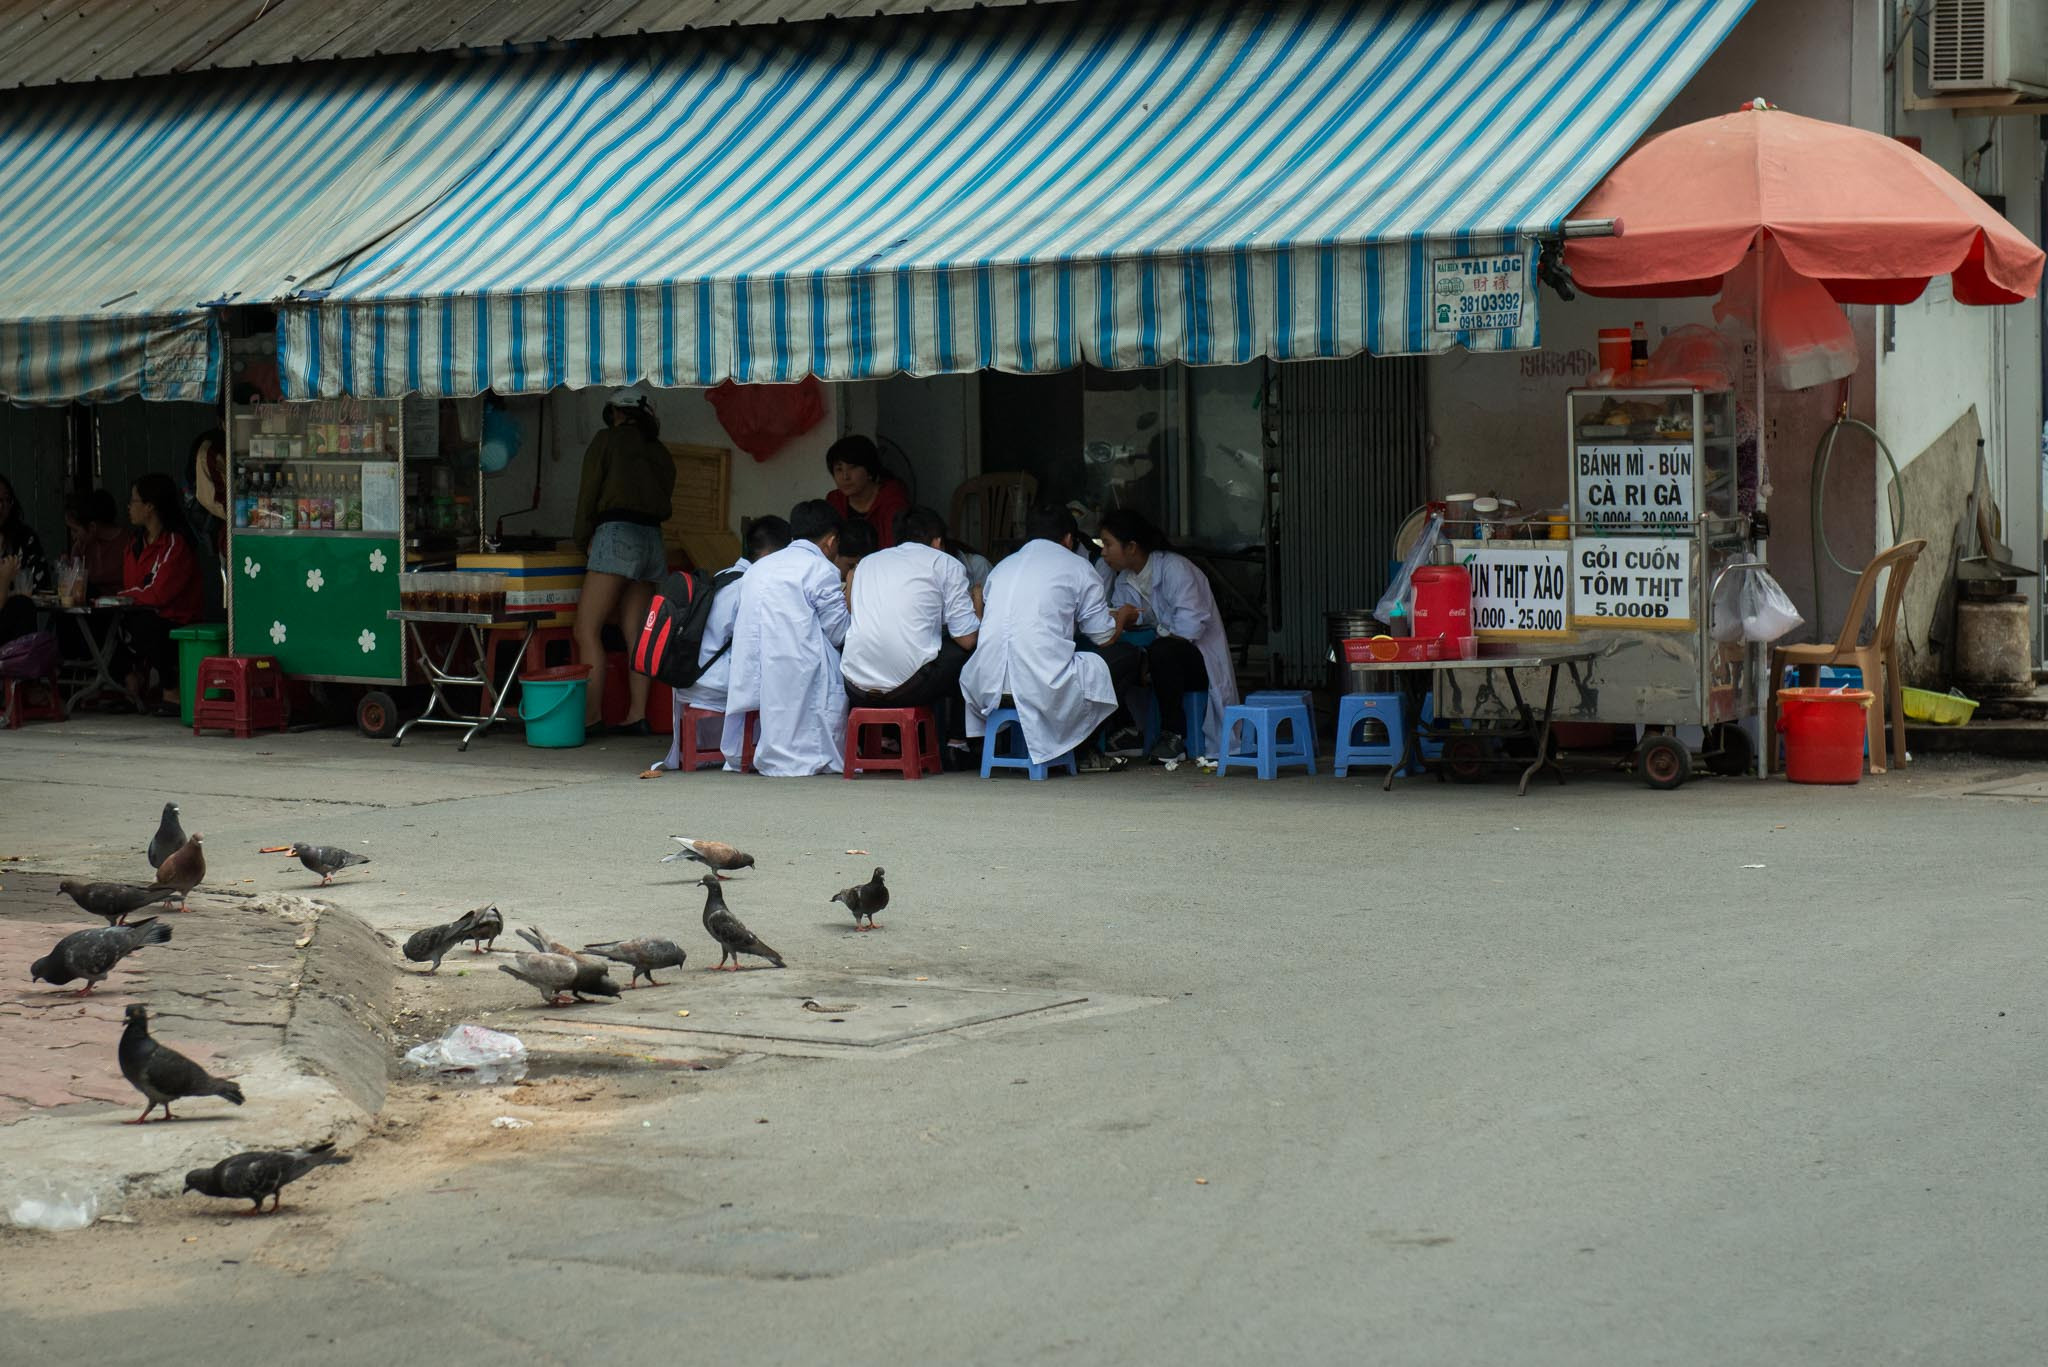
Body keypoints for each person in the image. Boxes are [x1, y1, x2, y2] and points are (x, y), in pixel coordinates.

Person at [960, 505, 1133, 771]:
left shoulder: (1002, 567)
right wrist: (1123, 616)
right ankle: (1083, 750)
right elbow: (1104, 636)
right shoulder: (1079, 567)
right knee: (1126, 656)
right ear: (1069, 539)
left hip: (985, 685)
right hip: (1039, 686)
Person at [645, 516, 792, 777]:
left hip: (689, 677)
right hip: (714, 683)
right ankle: (774, 751)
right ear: (771, 555)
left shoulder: (724, 575)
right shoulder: (751, 586)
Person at [573, 385, 677, 734]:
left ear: (616, 412)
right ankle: (637, 716)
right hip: (652, 541)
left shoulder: (607, 440)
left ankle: (591, 717)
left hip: (616, 534)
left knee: (586, 629)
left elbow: (588, 494)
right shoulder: (660, 451)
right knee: (636, 633)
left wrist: (582, 539)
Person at [1097, 509, 1240, 762]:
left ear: (1131, 547)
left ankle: (1174, 735)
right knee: (1115, 657)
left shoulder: (1175, 569)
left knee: (1163, 651)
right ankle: (1128, 729)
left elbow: (1189, 628)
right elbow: (1140, 618)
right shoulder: (1125, 579)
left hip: (1198, 660)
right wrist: (1127, 618)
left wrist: (1147, 653)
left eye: (1108, 544)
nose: (1103, 552)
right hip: (1161, 656)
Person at [723, 500, 851, 777]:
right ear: (831, 541)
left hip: (753, 671)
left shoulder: (759, 568)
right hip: (798, 672)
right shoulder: (821, 569)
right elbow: (839, 632)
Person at [842, 506, 980, 758]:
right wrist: (978, 606)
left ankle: (882, 740)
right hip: (909, 689)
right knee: (971, 652)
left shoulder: (867, 563)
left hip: (855, 687)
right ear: (937, 541)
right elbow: (967, 639)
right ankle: (957, 741)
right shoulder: (945, 563)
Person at [114, 473, 204, 712]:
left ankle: (172, 690)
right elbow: (135, 589)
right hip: (143, 613)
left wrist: (122, 597)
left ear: (150, 506)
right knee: (105, 622)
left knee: (145, 623)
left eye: (134, 501)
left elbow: (158, 594)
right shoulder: (134, 545)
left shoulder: (175, 544)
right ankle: (130, 683)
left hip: (175, 620)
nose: (129, 507)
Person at [824, 435, 910, 550]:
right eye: (839, 469)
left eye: (853, 467)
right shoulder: (834, 500)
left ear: (869, 470)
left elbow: (895, 549)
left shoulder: (893, 501)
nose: (845, 476)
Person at [0, 474, 50, 644]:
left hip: (16, 614)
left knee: (22, 605)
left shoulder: (24, 537)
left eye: (6, 500)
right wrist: (5, 580)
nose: (1, 506)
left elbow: (42, 582)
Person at [65, 489, 127, 595]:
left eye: (75, 530)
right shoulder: (80, 547)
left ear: (92, 527)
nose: (73, 536)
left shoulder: (128, 545)